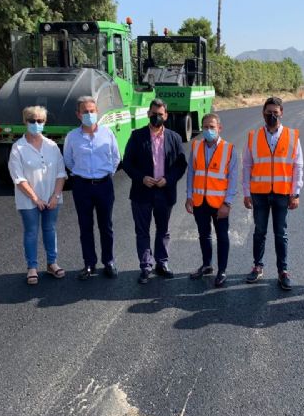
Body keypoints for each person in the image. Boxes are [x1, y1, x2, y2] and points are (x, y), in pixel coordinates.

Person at [122, 98, 187, 284]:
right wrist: (141, 178)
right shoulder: (137, 136)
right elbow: (127, 163)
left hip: (164, 192)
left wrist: (168, 179)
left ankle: (162, 262)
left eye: (160, 114)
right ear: (148, 114)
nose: (156, 117)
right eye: (153, 113)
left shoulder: (174, 138)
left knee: (163, 230)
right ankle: (145, 267)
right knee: (142, 231)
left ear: (166, 115)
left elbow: (181, 165)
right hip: (142, 192)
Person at [243, 96, 303, 290]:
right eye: (268, 113)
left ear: (282, 113)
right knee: (259, 232)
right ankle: (257, 267)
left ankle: (282, 271)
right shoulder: (253, 136)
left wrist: (296, 193)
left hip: (282, 194)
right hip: (259, 193)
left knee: (281, 233)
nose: (272, 116)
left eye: (275, 113)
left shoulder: (292, 136)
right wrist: (246, 192)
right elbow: (247, 166)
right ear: (263, 114)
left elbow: (298, 166)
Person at [8, 106, 67, 285]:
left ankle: (52, 263)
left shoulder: (52, 146)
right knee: (31, 232)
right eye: (32, 120)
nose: (36, 124)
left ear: (44, 122)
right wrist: (35, 198)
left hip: (51, 198)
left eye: (40, 121)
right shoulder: (18, 148)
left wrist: (55, 196)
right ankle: (32, 267)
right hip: (28, 199)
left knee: (50, 229)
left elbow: (60, 173)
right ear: (25, 121)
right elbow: (18, 178)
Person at [63, 96, 120, 280]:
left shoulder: (107, 133)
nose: (89, 114)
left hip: (104, 185)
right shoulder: (72, 137)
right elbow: (69, 161)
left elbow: (115, 158)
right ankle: (89, 263)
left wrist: (106, 174)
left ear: (97, 112)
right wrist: (84, 175)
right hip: (82, 186)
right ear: (78, 114)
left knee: (106, 226)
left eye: (92, 111)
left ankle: (109, 262)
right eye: (85, 111)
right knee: (85, 227)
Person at [186, 113, 238, 287]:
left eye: (212, 127)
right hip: (200, 201)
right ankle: (207, 265)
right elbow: (191, 173)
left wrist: (228, 203)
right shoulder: (195, 146)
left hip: (219, 204)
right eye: (205, 127)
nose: (208, 130)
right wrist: (189, 196)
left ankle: (222, 270)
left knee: (222, 237)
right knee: (204, 235)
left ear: (219, 128)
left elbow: (233, 178)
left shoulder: (229, 149)